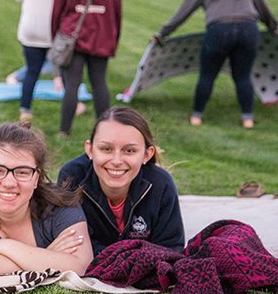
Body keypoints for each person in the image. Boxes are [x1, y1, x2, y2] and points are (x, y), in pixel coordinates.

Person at [0, 122, 92, 275]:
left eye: (22, 172)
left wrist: (5, 246)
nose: (9, 183)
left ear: (36, 178)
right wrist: (45, 257)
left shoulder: (59, 203)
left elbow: (82, 264)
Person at [153, 0, 278, 129]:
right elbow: (263, 9)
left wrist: (163, 33)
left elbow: (184, 12)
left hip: (219, 31)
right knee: (242, 76)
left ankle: (196, 117)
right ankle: (247, 119)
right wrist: (273, 27)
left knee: (208, 75)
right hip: (248, 30)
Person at [57, 107, 185, 255]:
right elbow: (70, 242)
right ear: (90, 150)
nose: (117, 161)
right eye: (106, 149)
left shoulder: (161, 184)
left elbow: (172, 248)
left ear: (147, 154)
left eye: (129, 151)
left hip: (143, 272)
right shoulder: (72, 176)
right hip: (91, 270)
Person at [50, 0, 122, 136]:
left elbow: (57, 7)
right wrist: (113, 39)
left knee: (71, 85)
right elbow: (116, 10)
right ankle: (105, 132)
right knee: (99, 83)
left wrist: (55, 34)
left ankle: (64, 131)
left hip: (73, 35)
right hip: (101, 35)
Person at [14, 0, 77, 123]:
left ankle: (25, 109)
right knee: (65, 68)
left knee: (32, 71)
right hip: (53, 30)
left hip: (29, 29)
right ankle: (72, 103)